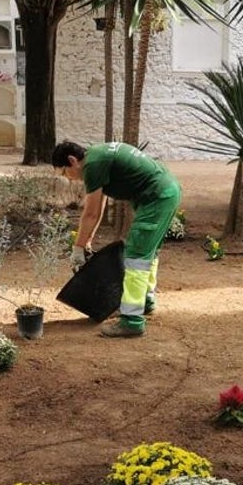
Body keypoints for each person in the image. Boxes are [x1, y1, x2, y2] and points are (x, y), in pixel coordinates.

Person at [51, 140, 182, 338]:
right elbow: (98, 208)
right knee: (149, 251)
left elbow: (90, 213)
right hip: (165, 192)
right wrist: (87, 240)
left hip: (157, 197)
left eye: (64, 172)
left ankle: (132, 321)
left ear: (72, 160)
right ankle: (145, 301)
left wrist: (77, 249)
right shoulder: (97, 155)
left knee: (136, 256)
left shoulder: (92, 166)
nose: (68, 178)